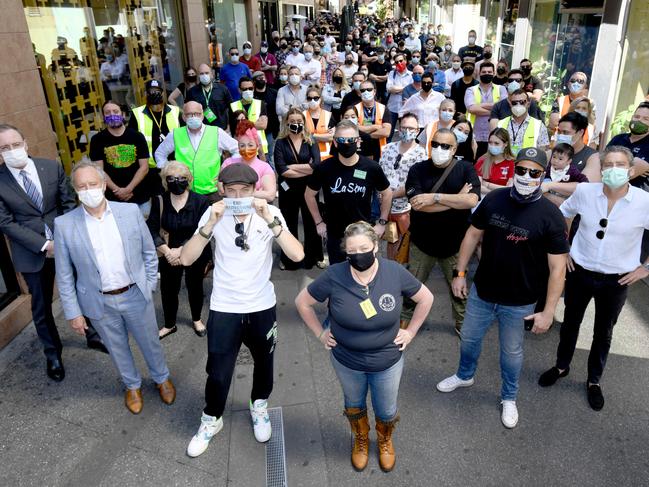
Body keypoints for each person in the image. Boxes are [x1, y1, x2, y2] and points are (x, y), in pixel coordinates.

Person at [438, 147, 569, 429]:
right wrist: (459, 273)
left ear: (542, 175)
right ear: (513, 170)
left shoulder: (550, 215)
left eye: (533, 172)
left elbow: (558, 269)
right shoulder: (495, 199)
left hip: (519, 301)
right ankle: (464, 375)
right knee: (470, 340)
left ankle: (509, 397)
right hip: (482, 292)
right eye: (520, 170)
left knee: (511, 353)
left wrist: (548, 311)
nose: (525, 176)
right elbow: (473, 234)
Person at [182, 163, 305, 457]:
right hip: (225, 307)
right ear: (222, 190)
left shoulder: (270, 214)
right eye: (231, 190)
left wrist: (270, 220)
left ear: (254, 190)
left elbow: (297, 254)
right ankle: (211, 418)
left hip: (262, 305)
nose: (238, 195)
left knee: (265, 364)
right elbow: (187, 259)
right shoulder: (213, 213)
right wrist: (208, 225)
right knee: (219, 372)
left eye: (245, 190)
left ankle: (259, 404)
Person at [295, 222, 434, 472]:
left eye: (364, 248)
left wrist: (411, 331)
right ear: (345, 252)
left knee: (386, 408)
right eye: (352, 250)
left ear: (375, 246)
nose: (359, 254)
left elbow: (426, 298)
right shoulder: (335, 275)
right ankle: (360, 439)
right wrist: (320, 333)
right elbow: (302, 302)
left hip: (387, 361)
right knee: (354, 403)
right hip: (347, 361)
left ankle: (384, 439)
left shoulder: (394, 272)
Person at [54, 161, 175, 415]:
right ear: (75, 190)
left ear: (103, 184)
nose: (89, 190)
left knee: (150, 342)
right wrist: (73, 312)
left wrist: (149, 284)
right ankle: (132, 385)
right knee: (116, 347)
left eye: (93, 184)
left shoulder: (129, 212)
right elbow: (64, 274)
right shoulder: (64, 225)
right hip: (99, 302)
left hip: (134, 293)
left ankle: (161, 378)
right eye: (82, 186)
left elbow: (148, 253)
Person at [538, 146, 649, 411]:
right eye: (607, 165)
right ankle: (562, 366)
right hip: (580, 272)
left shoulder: (644, 202)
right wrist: (563, 249)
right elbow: (564, 213)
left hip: (617, 280)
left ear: (631, 171)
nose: (613, 170)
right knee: (570, 324)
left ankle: (594, 381)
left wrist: (645, 268)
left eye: (619, 165)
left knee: (603, 332)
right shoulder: (586, 192)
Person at [0, 124, 106, 382]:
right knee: (41, 306)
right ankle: (53, 353)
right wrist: (45, 245)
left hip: (66, 242)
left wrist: (63, 238)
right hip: (32, 252)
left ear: (25, 143)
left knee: (82, 289)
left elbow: (68, 202)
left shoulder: (51, 166)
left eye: (15, 144)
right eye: (4, 148)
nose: (12, 151)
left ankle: (91, 332)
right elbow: (5, 222)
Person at [402, 128, 480, 335]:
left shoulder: (465, 169)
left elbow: (471, 200)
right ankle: (404, 322)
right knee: (413, 288)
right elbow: (418, 204)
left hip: (455, 246)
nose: (439, 149)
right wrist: (456, 200)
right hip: (422, 244)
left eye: (445, 146)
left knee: (459, 291)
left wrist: (434, 198)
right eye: (435, 144)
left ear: (454, 149)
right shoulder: (417, 169)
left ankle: (462, 323)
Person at [305, 120, 392, 264]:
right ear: (335, 143)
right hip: (335, 234)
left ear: (358, 142)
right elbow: (309, 194)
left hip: (363, 233)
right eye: (341, 140)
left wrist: (382, 222)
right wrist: (318, 222)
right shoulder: (324, 168)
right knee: (339, 276)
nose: (346, 143)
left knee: (364, 273)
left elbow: (387, 193)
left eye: (351, 140)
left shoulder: (371, 167)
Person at [147, 161, 211, 339]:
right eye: (172, 178)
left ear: (189, 179)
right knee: (168, 289)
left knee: (195, 285)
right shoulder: (159, 200)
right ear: (165, 181)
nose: (177, 181)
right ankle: (169, 324)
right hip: (168, 253)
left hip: (194, 252)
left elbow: (203, 230)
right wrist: (168, 252)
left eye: (182, 178)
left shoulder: (200, 201)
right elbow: (151, 228)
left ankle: (197, 319)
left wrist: (180, 251)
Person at [155, 101, 238, 201]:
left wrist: (225, 170)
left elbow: (237, 149)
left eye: (197, 114)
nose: (194, 117)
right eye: (189, 114)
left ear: (202, 115)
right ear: (184, 117)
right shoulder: (175, 134)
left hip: (212, 192)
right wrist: (168, 171)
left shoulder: (216, 132)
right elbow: (160, 153)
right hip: (185, 192)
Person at [274, 108, 324, 270]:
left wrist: (293, 167)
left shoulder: (311, 141)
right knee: (288, 223)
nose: (296, 124)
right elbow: (282, 170)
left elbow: (317, 166)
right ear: (287, 123)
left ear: (304, 123)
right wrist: (306, 168)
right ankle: (289, 259)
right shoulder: (280, 143)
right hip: (287, 189)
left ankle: (314, 256)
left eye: (299, 122)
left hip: (309, 189)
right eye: (293, 122)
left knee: (311, 222)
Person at [378, 113, 427, 261]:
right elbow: (379, 174)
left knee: (405, 244)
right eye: (404, 127)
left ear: (417, 130)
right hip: (384, 209)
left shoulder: (421, 154)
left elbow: (416, 183)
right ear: (399, 128)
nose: (407, 131)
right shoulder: (387, 148)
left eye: (411, 128)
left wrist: (390, 195)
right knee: (390, 242)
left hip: (406, 209)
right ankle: (389, 270)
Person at [90, 101, 151, 216]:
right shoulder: (97, 140)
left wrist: (128, 189)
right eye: (107, 113)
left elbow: (144, 167)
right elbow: (99, 171)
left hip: (140, 197)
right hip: (113, 200)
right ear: (103, 117)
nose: (112, 115)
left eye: (115, 111)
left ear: (123, 114)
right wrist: (117, 191)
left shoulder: (137, 137)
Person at [128, 80, 181, 198]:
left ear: (163, 93)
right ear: (146, 94)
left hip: (174, 165)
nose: (154, 94)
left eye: (157, 91)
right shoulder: (137, 114)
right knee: (157, 201)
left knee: (176, 197)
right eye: (151, 92)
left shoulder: (175, 111)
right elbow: (132, 143)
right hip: (150, 168)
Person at [220, 120, 276, 203]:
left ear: (257, 146)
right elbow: (221, 191)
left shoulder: (264, 167)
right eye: (242, 145)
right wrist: (256, 192)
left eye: (250, 145)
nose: (246, 149)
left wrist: (234, 191)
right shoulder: (228, 163)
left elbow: (270, 195)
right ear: (238, 147)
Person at [465, 62, 507, 158]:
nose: (486, 74)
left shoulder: (502, 89)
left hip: (496, 137)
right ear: (479, 73)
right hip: (474, 136)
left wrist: (480, 106)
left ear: (494, 73)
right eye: (484, 72)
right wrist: (495, 110)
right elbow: (471, 108)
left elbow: (503, 107)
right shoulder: (470, 90)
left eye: (489, 72)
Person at [495, 89, 550, 156]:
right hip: (505, 164)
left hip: (528, 165)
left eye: (522, 102)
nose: (518, 105)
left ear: (528, 104)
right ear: (510, 104)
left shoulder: (539, 125)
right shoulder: (500, 124)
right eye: (514, 103)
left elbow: (543, 152)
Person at [555, 112, 601, 181]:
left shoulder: (592, 157)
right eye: (559, 132)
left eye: (565, 132)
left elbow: (584, 185)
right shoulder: (553, 153)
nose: (561, 135)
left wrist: (550, 185)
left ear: (580, 132)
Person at [229, 77, 269, 156]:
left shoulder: (260, 103)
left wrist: (243, 123)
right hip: (241, 149)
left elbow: (263, 125)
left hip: (259, 149)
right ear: (239, 90)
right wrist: (255, 124)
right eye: (244, 89)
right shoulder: (233, 106)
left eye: (250, 88)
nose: (248, 91)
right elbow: (234, 128)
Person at [185, 64, 232, 130]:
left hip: (222, 129)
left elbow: (231, 107)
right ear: (198, 76)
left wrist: (229, 126)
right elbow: (188, 111)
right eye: (201, 74)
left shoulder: (222, 89)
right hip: (201, 131)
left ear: (212, 74)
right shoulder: (192, 92)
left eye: (207, 73)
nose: (204, 76)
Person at [355, 80, 392, 161]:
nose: (366, 92)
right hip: (359, 150)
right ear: (359, 93)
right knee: (360, 173)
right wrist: (376, 127)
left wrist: (364, 134)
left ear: (374, 91)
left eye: (369, 89)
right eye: (363, 90)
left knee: (375, 172)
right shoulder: (354, 109)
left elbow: (386, 132)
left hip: (379, 150)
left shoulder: (383, 109)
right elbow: (353, 130)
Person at [474, 128, 516, 196]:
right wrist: (500, 190)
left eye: (496, 143)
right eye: (490, 142)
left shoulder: (512, 163)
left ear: (505, 144)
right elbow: (477, 186)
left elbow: (510, 189)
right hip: (483, 199)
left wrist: (487, 184)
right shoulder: (482, 160)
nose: (492, 146)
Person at [252, 71, 280, 166]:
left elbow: (277, 112)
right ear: (254, 81)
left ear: (266, 79)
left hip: (270, 131)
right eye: (257, 78)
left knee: (270, 155)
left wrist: (277, 130)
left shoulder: (274, 93)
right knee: (257, 155)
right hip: (255, 131)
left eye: (262, 77)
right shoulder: (251, 95)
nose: (261, 79)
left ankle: (271, 174)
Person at [304, 86, 335, 160]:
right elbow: (301, 136)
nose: (312, 101)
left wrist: (312, 136)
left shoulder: (328, 115)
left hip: (326, 156)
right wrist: (324, 136)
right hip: (308, 156)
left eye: (315, 98)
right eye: (309, 98)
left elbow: (331, 137)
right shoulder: (302, 115)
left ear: (320, 99)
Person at [385, 54, 412, 138]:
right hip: (392, 107)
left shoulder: (411, 74)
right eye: (397, 62)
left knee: (405, 133)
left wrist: (396, 90)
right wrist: (405, 89)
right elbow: (389, 88)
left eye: (401, 61)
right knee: (389, 132)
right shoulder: (392, 74)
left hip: (405, 108)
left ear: (405, 61)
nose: (399, 63)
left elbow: (411, 90)